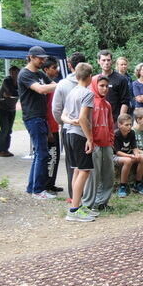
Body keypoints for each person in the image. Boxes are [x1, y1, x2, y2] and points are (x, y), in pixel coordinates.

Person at [17, 46, 58, 199]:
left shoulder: (40, 74)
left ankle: (32, 188)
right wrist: (61, 84)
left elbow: (51, 85)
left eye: (43, 58)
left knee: (39, 154)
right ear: (31, 57)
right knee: (42, 154)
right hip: (33, 118)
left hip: (41, 118)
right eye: (40, 58)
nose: (43, 61)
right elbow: (41, 89)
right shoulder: (25, 74)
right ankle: (38, 190)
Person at [59, 62, 97, 222]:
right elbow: (83, 118)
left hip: (68, 133)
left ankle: (77, 205)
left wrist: (71, 121)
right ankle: (74, 210)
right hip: (80, 136)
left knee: (76, 169)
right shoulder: (87, 93)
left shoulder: (72, 91)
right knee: (84, 171)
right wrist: (89, 138)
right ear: (89, 77)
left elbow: (63, 116)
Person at [52, 52, 87, 201]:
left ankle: (74, 196)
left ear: (70, 66)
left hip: (68, 128)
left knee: (72, 164)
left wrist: (63, 123)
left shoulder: (62, 84)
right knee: (86, 165)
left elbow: (56, 109)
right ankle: (86, 195)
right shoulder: (91, 84)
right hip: (86, 130)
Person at [82, 75, 115, 211]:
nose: (104, 88)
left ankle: (102, 202)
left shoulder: (107, 104)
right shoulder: (90, 102)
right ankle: (88, 204)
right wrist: (90, 140)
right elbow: (84, 122)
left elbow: (111, 124)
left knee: (109, 174)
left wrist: (111, 141)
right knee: (93, 176)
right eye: (101, 85)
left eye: (106, 86)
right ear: (95, 85)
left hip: (106, 144)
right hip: (94, 144)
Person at [42, 58, 63, 193]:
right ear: (46, 69)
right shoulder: (44, 87)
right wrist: (48, 130)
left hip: (55, 127)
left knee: (55, 157)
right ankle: (45, 184)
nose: (56, 70)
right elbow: (44, 110)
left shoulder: (53, 84)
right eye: (54, 67)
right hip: (48, 128)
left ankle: (51, 183)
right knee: (50, 156)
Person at [113, 113, 143, 196]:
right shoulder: (116, 134)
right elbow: (117, 152)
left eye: (130, 124)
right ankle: (122, 186)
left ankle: (138, 183)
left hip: (129, 154)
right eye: (126, 125)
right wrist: (130, 156)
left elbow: (134, 147)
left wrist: (136, 154)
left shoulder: (131, 133)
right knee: (128, 161)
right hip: (116, 156)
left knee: (142, 158)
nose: (129, 127)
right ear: (119, 125)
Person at [98, 49, 132, 123]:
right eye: (103, 60)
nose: (106, 63)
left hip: (115, 120)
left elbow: (125, 101)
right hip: (99, 119)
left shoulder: (121, 79)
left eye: (108, 60)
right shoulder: (96, 79)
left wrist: (120, 121)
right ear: (98, 61)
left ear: (112, 62)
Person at [0, 66, 19, 157]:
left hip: (12, 107)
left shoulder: (20, 81)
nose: (14, 74)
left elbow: (19, 92)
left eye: (16, 72)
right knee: (4, 128)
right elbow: (12, 91)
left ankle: (6, 149)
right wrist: (14, 92)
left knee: (9, 129)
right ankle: (0, 150)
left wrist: (14, 93)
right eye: (12, 73)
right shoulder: (7, 80)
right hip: (2, 107)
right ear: (10, 73)